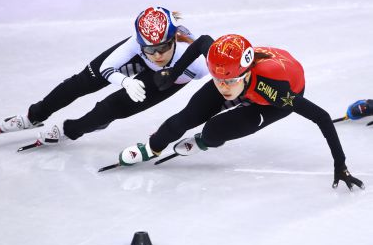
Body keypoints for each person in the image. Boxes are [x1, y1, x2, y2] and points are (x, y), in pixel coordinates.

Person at [118, 34, 365, 191]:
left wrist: (340, 164)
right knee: (186, 117)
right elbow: (204, 42)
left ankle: (203, 142)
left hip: (270, 99)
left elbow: (321, 117)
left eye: (229, 82)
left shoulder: (274, 91)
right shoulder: (225, 70)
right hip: (241, 74)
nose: (223, 88)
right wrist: (173, 73)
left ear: (246, 74)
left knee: (214, 131)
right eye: (218, 80)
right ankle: (151, 148)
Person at [0, 7, 209, 144]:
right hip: (140, 62)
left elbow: (220, 88)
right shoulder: (137, 43)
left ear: (174, 40)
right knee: (83, 81)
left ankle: (69, 130)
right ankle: (34, 115)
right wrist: (124, 81)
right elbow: (106, 68)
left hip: (171, 77)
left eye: (163, 47)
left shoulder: (199, 65)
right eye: (150, 49)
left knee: (110, 108)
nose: (157, 55)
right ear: (140, 42)